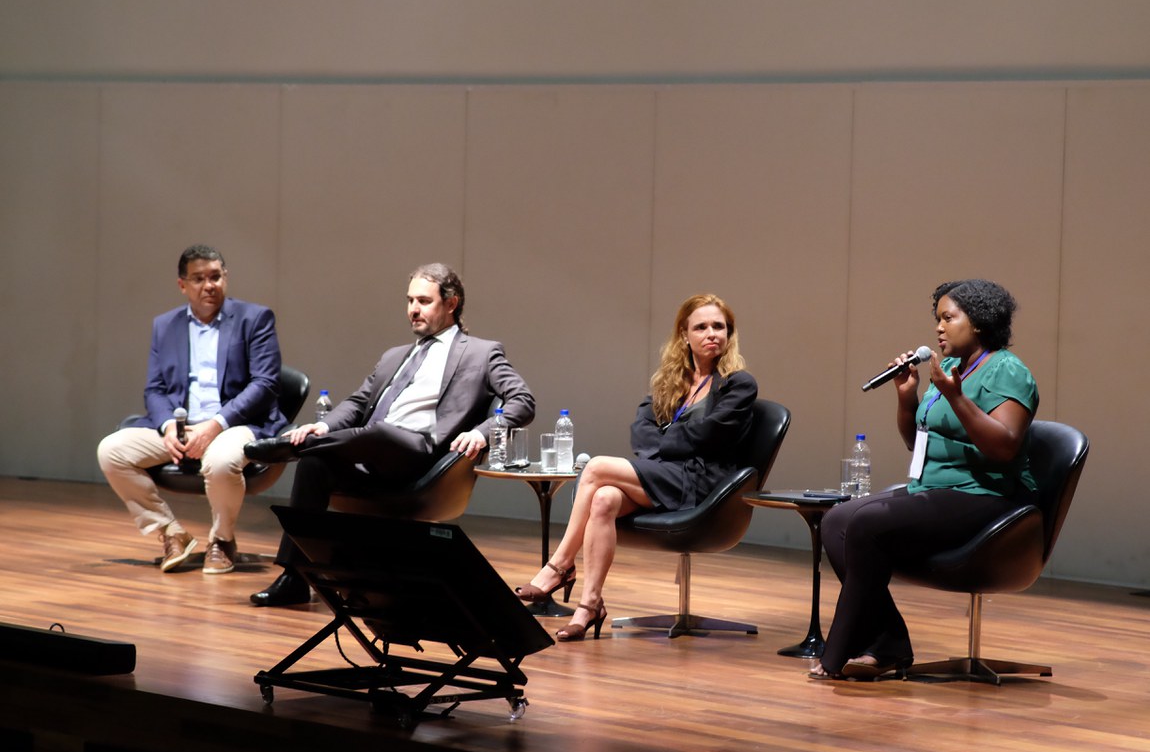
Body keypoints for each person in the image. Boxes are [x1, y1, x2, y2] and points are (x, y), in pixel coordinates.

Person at [245, 262, 535, 607]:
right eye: (410, 300)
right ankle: (294, 577)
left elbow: (523, 400)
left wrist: (484, 432)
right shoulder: (394, 356)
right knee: (315, 464)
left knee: (376, 434)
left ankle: (292, 447)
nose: (413, 309)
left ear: (451, 303)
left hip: (423, 456)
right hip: (369, 449)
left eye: (424, 301)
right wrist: (322, 426)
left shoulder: (481, 352)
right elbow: (357, 402)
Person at [810, 279, 1039, 681]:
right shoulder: (948, 369)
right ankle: (889, 644)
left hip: (985, 495)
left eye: (949, 318)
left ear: (980, 322)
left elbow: (1004, 447)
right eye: (937, 319)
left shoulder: (1008, 371)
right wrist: (906, 397)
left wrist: (956, 399)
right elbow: (917, 444)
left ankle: (837, 653)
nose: (939, 328)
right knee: (836, 520)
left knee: (866, 524)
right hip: (933, 490)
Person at [515, 294, 757, 641]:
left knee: (597, 468)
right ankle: (590, 605)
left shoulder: (738, 384)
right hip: (665, 474)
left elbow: (709, 437)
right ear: (684, 334)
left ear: (729, 334)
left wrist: (669, 439)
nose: (711, 334)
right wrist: (675, 439)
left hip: (703, 483)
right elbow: (641, 433)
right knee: (604, 499)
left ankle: (559, 567)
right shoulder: (669, 382)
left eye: (719, 326)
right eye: (701, 326)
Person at [97, 244, 287, 575]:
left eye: (215, 277)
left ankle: (222, 540)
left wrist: (215, 425)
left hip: (235, 423)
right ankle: (171, 532)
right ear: (182, 285)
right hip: (182, 427)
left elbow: (265, 384)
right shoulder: (165, 325)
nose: (209, 285)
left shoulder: (254, 318)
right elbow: (155, 389)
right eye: (198, 278)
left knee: (221, 460)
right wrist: (168, 426)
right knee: (111, 451)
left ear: (225, 278)